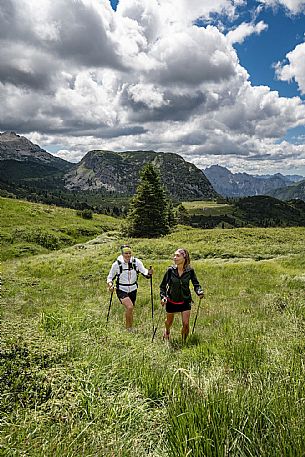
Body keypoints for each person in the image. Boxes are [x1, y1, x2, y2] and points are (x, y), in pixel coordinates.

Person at [160, 248, 204, 341]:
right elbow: (163, 286)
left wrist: (199, 291)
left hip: (185, 300)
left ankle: (184, 342)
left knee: (186, 324)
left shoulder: (190, 271)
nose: (175, 258)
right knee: (168, 322)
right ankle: (167, 331)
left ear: (184, 258)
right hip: (171, 300)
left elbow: (196, 284)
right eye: (174, 255)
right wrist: (163, 297)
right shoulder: (170, 270)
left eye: (178, 256)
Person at [107, 244, 153, 331]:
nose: (128, 255)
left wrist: (149, 273)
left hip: (133, 289)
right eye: (126, 253)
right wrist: (110, 285)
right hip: (121, 289)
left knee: (131, 309)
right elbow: (109, 278)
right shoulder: (116, 265)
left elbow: (144, 272)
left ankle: (131, 327)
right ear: (122, 254)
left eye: (129, 253)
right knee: (129, 307)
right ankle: (128, 329)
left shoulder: (136, 262)